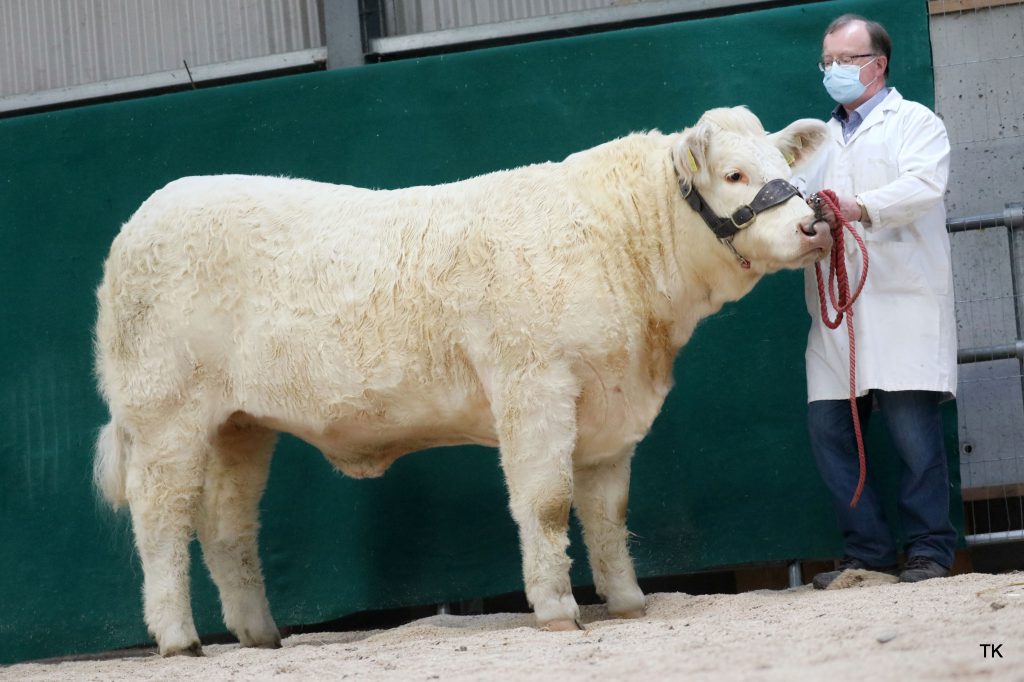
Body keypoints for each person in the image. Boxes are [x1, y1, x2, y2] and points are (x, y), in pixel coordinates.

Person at [793, 14, 958, 589]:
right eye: (827, 61)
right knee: (831, 432)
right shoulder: (815, 138)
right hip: (837, 309)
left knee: (915, 437)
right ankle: (866, 553)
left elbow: (922, 187)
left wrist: (854, 207)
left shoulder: (916, 123)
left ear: (878, 64)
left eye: (845, 60)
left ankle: (929, 552)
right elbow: (800, 208)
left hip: (904, 300)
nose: (833, 71)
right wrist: (811, 233)